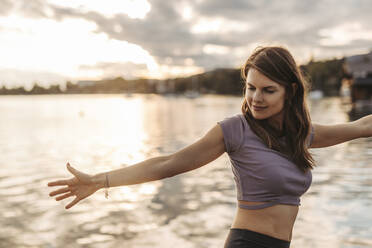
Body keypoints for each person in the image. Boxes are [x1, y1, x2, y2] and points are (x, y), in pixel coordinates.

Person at [48, 46, 372, 248]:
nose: (256, 98)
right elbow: (168, 163)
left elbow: (362, 126)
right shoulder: (235, 131)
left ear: (289, 91)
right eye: (250, 88)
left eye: (268, 90)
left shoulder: (300, 134)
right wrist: (100, 179)